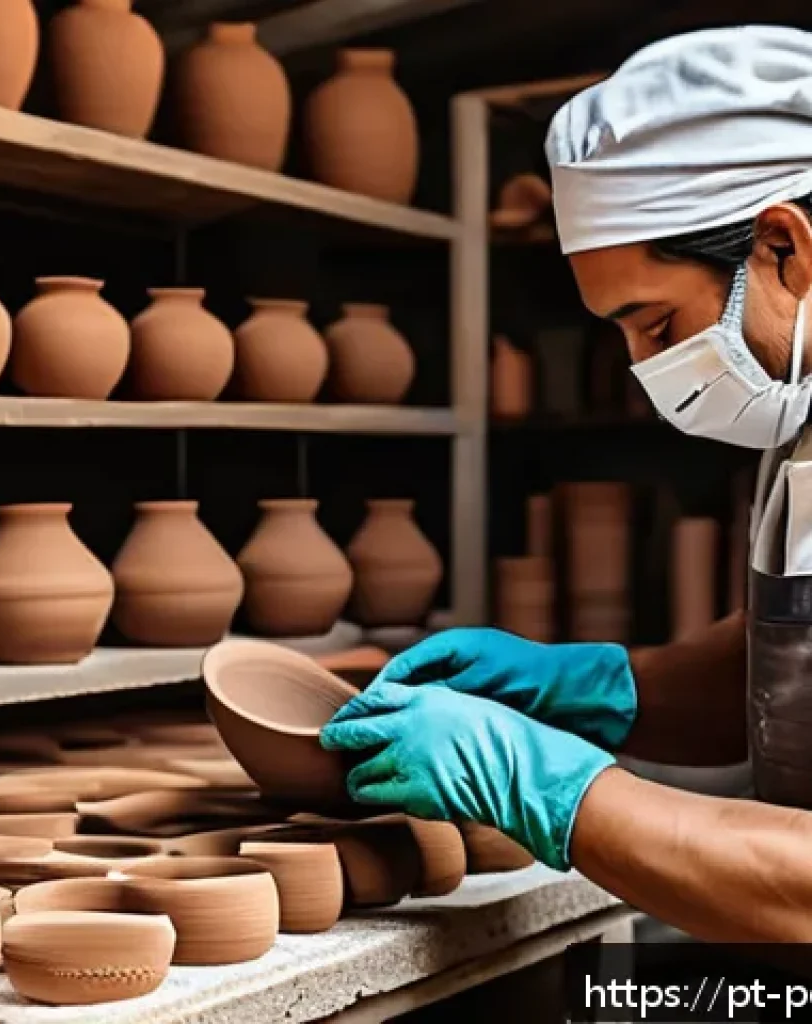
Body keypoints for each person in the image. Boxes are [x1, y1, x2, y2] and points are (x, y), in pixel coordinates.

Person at [321, 24, 812, 943]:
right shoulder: (799, 424)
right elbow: (791, 683)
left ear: (785, 247)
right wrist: (597, 687)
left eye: (656, 324)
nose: (644, 366)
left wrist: (548, 786)